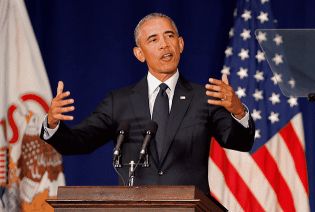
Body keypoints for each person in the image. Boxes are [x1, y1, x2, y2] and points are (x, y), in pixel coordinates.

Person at [40, 13, 255, 195]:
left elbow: (239, 142)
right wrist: (52, 124)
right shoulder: (119, 101)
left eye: (169, 36)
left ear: (180, 44)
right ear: (139, 53)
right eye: (153, 39)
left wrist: (238, 110)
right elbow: (79, 142)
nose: (164, 44)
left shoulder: (204, 97)